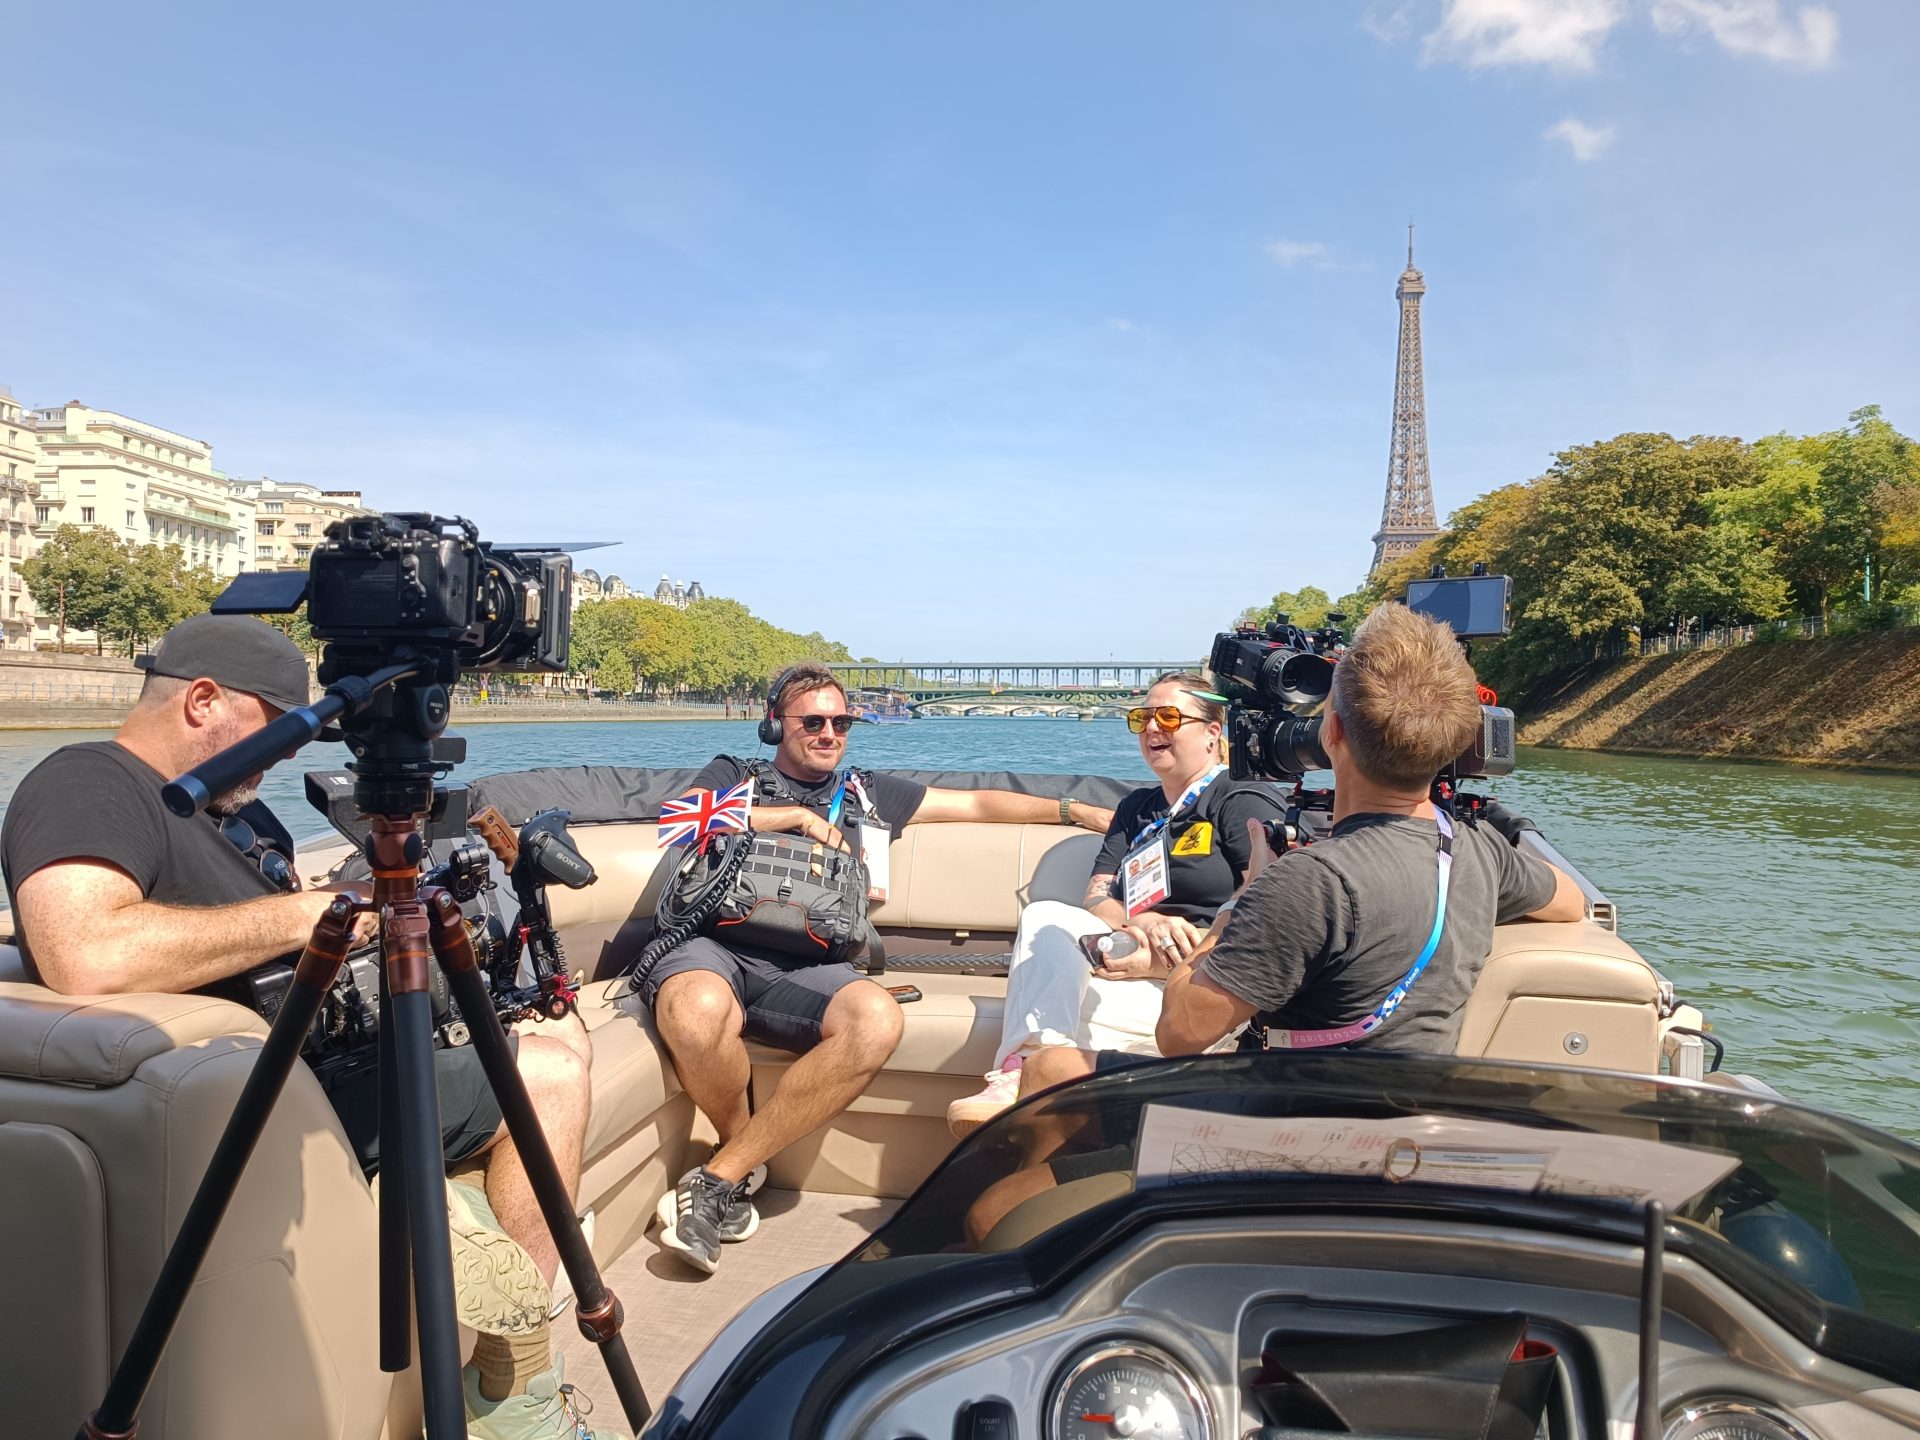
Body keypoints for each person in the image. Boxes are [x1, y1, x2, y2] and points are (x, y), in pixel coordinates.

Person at [0, 615, 613, 1439]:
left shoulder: (235, 818)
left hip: (322, 1057)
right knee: (552, 1068)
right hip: (270, 1094)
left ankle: (470, 1232)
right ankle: (517, 1393)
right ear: (204, 701)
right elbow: (84, 953)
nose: (292, 752)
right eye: (280, 725)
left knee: (546, 1030)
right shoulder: (90, 783)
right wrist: (307, 915)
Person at [963, 604, 1587, 1243]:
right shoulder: (1475, 852)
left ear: (1334, 734)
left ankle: (1107, 1241)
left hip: (1284, 1134)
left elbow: (1179, 1031)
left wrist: (1246, 896)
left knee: (993, 1211)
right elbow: (1569, 901)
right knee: (1050, 1074)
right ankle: (1102, 1206)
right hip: (1390, 1124)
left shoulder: (1310, 880)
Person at [639, 660, 1116, 1274]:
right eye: (812, 721)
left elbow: (973, 805)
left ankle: (717, 1179)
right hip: (715, 946)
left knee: (876, 1018)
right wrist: (790, 817)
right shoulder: (738, 775)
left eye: (842, 722)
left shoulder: (869, 794)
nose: (829, 733)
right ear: (773, 725)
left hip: (811, 966)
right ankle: (739, 1152)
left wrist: (1079, 813)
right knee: (698, 1009)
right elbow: (675, 820)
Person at [945, 673, 1287, 1136]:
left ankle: (1025, 1081)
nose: (1151, 728)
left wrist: (1165, 964)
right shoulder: (1136, 810)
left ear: (1212, 732)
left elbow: (1268, 909)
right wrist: (1139, 921)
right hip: (1126, 956)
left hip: (1199, 982)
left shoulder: (1238, 796)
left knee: (1044, 1007)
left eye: (1168, 716)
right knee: (1046, 918)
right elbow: (1096, 897)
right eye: (1142, 718)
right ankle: (1029, 1073)